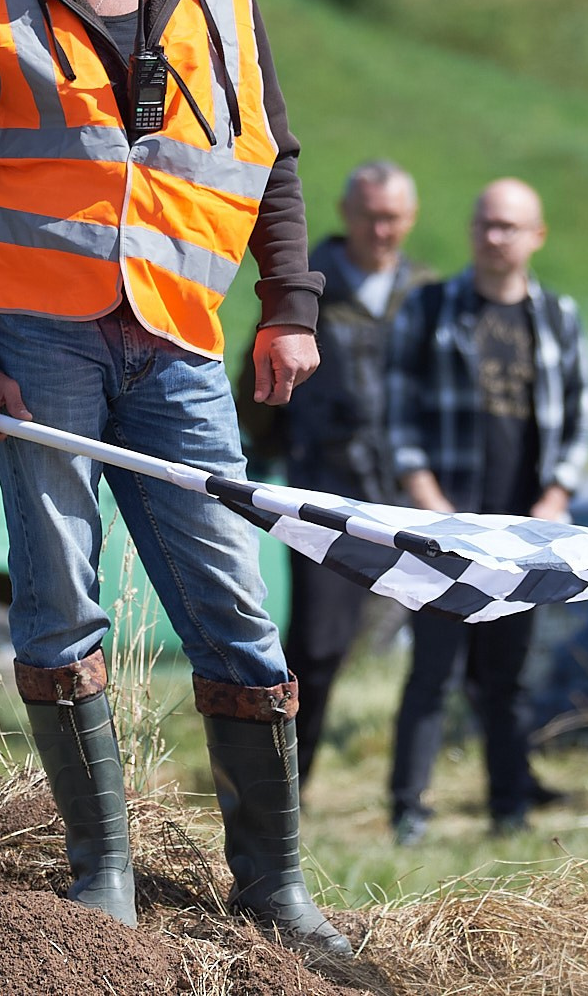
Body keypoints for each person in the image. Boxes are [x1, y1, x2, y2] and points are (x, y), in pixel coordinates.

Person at [0, 0, 348, 953]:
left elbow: (272, 151)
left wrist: (289, 303)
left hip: (178, 338)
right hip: (36, 343)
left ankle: (275, 892)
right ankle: (100, 879)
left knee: (233, 610)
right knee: (54, 602)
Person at [386, 178, 588, 844]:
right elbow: (398, 414)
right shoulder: (431, 308)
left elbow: (580, 418)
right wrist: (429, 505)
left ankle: (509, 805)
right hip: (444, 525)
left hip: (523, 529)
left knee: (505, 674)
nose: (494, 237)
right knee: (433, 670)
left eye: (509, 226)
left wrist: (556, 497)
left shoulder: (558, 318)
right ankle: (408, 810)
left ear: (537, 237)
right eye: (485, 224)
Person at [238, 158, 435, 786]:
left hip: (411, 494)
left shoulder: (430, 296)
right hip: (326, 495)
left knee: (441, 653)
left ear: (411, 219)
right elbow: (259, 391)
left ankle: (418, 798)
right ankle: (286, 789)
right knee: (318, 651)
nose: (382, 231)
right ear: (347, 214)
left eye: (394, 219)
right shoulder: (306, 297)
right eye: (371, 216)